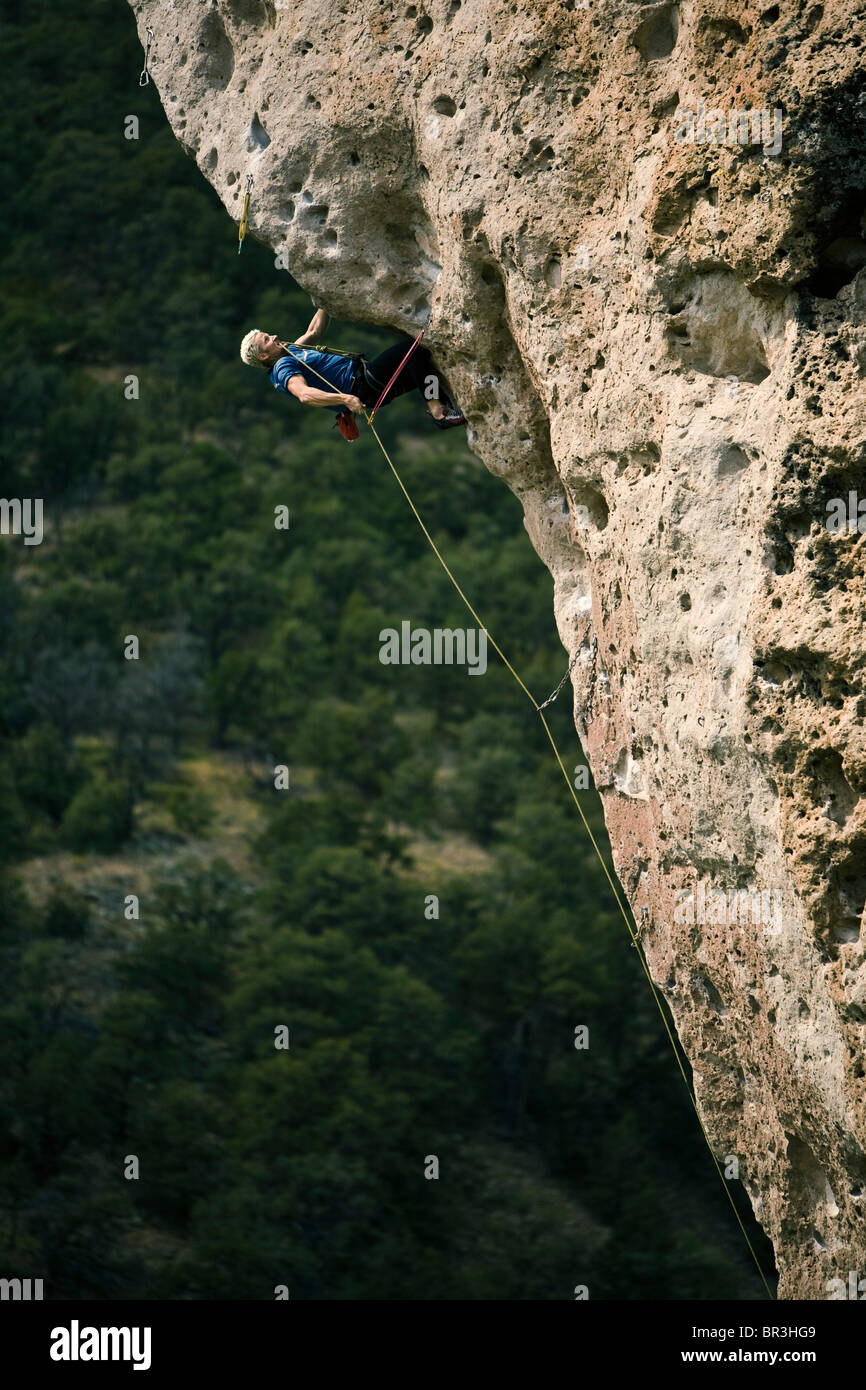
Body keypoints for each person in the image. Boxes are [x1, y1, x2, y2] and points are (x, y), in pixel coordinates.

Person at [239, 307, 466, 429]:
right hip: (362, 386)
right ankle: (438, 412)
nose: (275, 336)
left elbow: (313, 331)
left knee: (423, 364)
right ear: (263, 356)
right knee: (414, 349)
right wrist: (345, 399)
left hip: (368, 388)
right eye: (268, 339)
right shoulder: (282, 367)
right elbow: (305, 395)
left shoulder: (290, 352)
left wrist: (323, 301)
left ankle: (444, 407)